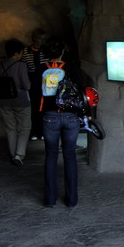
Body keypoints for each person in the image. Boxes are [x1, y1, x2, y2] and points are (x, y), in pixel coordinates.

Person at [41, 37, 81, 208]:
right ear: (63, 51)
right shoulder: (72, 68)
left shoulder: (40, 69)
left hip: (50, 116)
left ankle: (50, 199)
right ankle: (71, 200)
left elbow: (36, 94)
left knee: (50, 155)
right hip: (70, 115)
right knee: (70, 156)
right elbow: (80, 92)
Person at [0, 39, 32, 165]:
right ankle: (19, 154)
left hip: (4, 101)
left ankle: (12, 153)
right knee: (24, 127)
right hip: (21, 100)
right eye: (21, 52)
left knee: (11, 128)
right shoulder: (21, 65)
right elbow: (26, 85)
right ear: (16, 53)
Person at [21, 28, 47, 141]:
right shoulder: (26, 51)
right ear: (34, 38)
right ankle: (35, 131)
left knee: (44, 107)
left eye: (43, 39)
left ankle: (42, 131)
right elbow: (23, 66)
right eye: (39, 39)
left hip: (45, 80)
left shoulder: (46, 50)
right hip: (31, 81)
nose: (41, 41)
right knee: (33, 107)